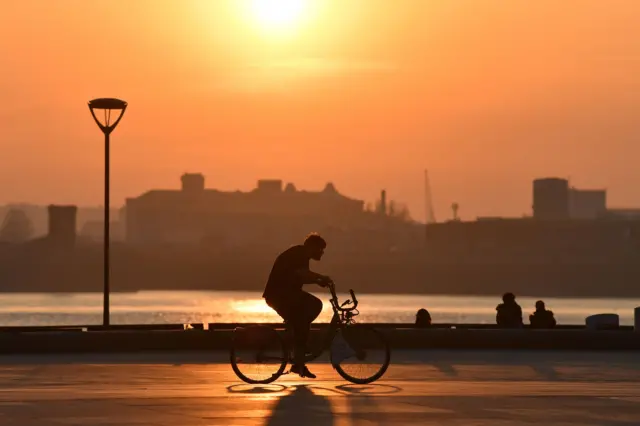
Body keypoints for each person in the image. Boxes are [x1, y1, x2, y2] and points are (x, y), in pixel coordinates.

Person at [262, 233, 332, 379]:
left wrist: (318, 280)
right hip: (279, 296)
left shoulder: (301, 255)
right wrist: (321, 277)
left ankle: (298, 361)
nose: (322, 253)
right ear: (312, 247)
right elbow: (302, 273)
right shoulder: (298, 254)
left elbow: (299, 276)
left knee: (304, 319)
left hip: (287, 294)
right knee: (313, 307)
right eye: (320, 249)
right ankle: (298, 349)